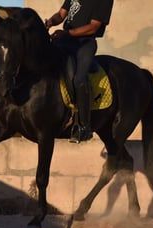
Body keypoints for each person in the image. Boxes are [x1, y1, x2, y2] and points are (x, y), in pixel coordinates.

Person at [45, 0, 114, 142]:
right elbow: (61, 14)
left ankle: (84, 126)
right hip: (65, 41)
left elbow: (93, 27)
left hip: (84, 43)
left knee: (79, 79)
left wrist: (67, 33)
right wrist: (51, 22)